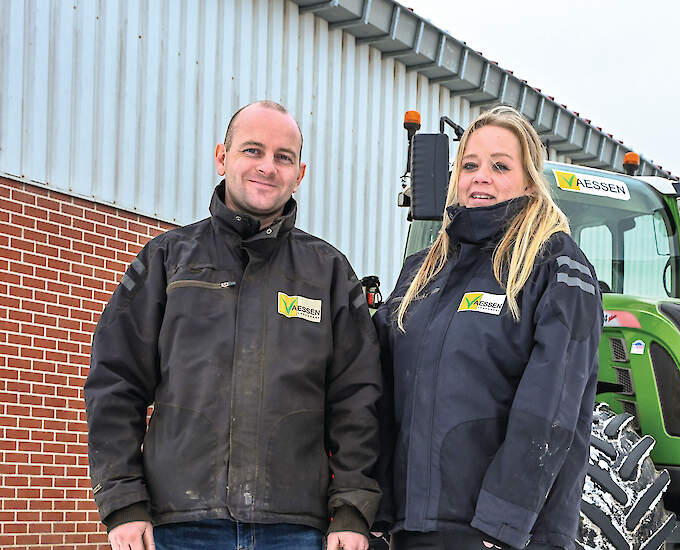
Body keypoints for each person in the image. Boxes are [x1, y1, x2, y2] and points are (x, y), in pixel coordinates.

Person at [85, 101, 382, 550]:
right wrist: (123, 500)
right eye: (253, 151)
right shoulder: (167, 261)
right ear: (222, 157)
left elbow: (358, 400)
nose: (267, 167)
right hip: (180, 526)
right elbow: (115, 382)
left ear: (300, 173)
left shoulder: (329, 274)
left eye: (283, 157)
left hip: (296, 529)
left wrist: (352, 511)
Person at [372, 106, 602, 550]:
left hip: (503, 535)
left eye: (500, 166)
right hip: (412, 528)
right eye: (470, 164)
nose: (481, 176)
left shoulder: (555, 266)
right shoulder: (423, 271)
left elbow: (550, 411)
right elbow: (380, 392)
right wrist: (374, 509)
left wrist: (502, 526)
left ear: (530, 181)